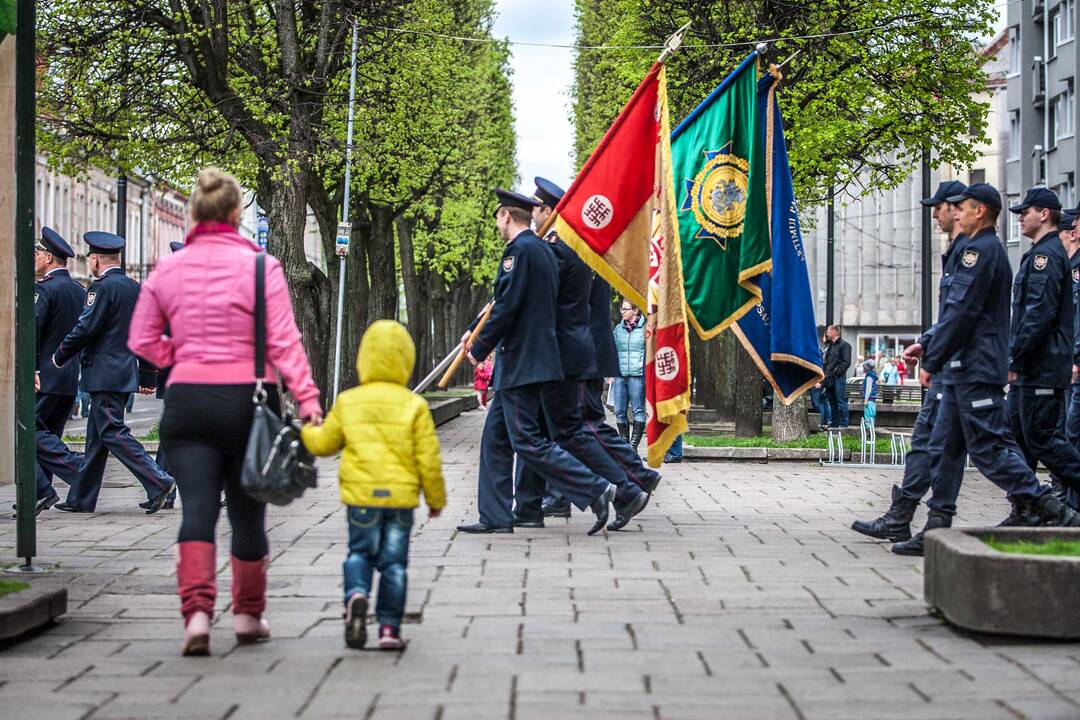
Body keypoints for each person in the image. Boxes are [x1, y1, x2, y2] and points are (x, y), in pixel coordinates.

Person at [128, 168, 323, 656]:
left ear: (194, 212)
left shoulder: (168, 270)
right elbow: (284, 342)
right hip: (247, 405)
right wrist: (308, 399)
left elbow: (141, 340)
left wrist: (182, 355)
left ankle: (195, 615)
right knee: (247, 517)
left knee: (195, 510)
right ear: (237, 214)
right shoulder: (262, 268)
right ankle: (247, 615)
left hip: (187, 404)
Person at [892, 182, 1080, 556]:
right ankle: (935, 527)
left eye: (960, 207)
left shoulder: (994, 252)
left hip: (985, 366)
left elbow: (982, 312)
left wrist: (936, 357)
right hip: (972, 365)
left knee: (999, 446)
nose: (951, 213)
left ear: (978, 211)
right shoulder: (994, 251)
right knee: (948, 447)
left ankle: (1048, 507)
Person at [455, 189, 615, 535]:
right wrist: (475, 331)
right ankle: (495, 515)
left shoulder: (520, 252)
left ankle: (594, 488)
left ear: (507, 216)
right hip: (538, 358)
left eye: (498, 217)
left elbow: (507, 307)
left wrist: (480, 346)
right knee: (496, 439)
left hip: (521, 362)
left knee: (527, 440)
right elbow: (514, 303)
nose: (497, 223)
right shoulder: (542, 249)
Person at [301, 320, 446, 651]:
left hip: (362, 498)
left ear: (364, 357)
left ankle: (356, 594)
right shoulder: (415, 406)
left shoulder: (349, 401)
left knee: (360, 552)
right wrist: (435, 499)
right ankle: (389, 630)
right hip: (400, 501)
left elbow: (324, 444)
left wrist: (307, 430)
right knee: (394, 564)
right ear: (406, 360)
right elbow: (429, 460)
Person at [513, 177, 648, 530]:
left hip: (572, 353)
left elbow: (561, 305)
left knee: (577, 428)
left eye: (536, 209)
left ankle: (628, 482)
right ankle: (553, 497)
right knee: (566, 426)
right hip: (579, 351)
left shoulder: (563, 248)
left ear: (550, 211)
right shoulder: (578, 245)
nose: (532, 216)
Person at [851, 180, 969, 542]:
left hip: (964, 369)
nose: (934, 214)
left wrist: (933, 358)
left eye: (940, 207)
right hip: (950, 365)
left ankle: (1039, 502)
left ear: (959, 209)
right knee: (930, 444)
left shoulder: (975, 253)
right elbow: (950, 314)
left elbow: (964, 314)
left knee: (990, 448)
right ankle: (909, 516)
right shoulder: (958, 251)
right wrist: (926, 343)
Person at [52, 231, 175, 515]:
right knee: (97, 438)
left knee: (112, 431)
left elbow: (85, 327)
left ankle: (159, 480)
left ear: (95, 259)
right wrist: (147, 375)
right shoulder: (135, 288)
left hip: (104, 373)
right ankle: (80, 498)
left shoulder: (101, 289)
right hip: (122, 372)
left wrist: (60, 355)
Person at [1003, 187, 1080, 511]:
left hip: (1041, 366)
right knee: (1020, 440)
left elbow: (1039, 313)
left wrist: (1013, 356)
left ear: (1044, 214)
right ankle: (1025, 511)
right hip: (1032, 367)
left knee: (1044, 440)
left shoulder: (1045, 257)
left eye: (1026, 211)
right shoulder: (1039, 253)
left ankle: (1042, 509)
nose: (1020, 217)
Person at [31, 227, 86, 514]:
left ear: (49, 258)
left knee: (27, 432)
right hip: (68, 378)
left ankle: (77, 468)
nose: (34, 259)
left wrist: (29, 369)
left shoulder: (44, 290)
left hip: (44, 376)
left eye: (37, 254)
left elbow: (33, 332)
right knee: (49, 434)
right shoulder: (79, 291)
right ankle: (41, 493)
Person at [612, 300, 647, 449]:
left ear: (635, 311)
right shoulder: (618, 329)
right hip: (620, 375)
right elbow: (612, 350)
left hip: (637, 376)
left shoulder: (645, 329)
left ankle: (633, 446)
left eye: (625, 309)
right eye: (621, 309)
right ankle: (625, 445)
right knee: (619, 411)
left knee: (638, 410)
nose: (622, 311)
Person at [821, 325, 851, 428]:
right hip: (829, 379)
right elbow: (827, 362)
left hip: (838, 378)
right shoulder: (830, 346)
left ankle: (843, 425)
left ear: (834, 332)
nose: (826, 333)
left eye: (828, 331)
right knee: (832, 402)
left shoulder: (845, 345)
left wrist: (835, 373)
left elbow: (846, 362)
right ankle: (834, 424)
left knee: (841, 402)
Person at [861, 359, 879, 429]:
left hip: (869, 399)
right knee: (872, 414)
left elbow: (868, 389)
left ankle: (868, 429)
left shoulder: (869, 377)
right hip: (873, 399)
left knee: (868, 414)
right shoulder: (873, 376)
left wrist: (865, 400)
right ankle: (871, 427)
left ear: (866, 368)